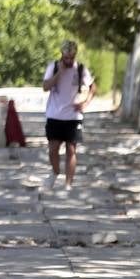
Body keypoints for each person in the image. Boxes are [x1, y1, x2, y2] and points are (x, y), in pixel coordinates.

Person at [42, 39, 96, 189]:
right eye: (66, 58)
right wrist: (59, 73)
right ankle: (55, 172)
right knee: (53, 149)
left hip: (73, 117)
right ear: (62, 55)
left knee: (71, 150)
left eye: (72, 57)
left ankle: (68, 184)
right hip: (54, 115)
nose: (69, 60)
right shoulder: (53, 67)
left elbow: (92, 87)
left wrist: (85, 102)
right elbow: (45, 87)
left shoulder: (80, 69)